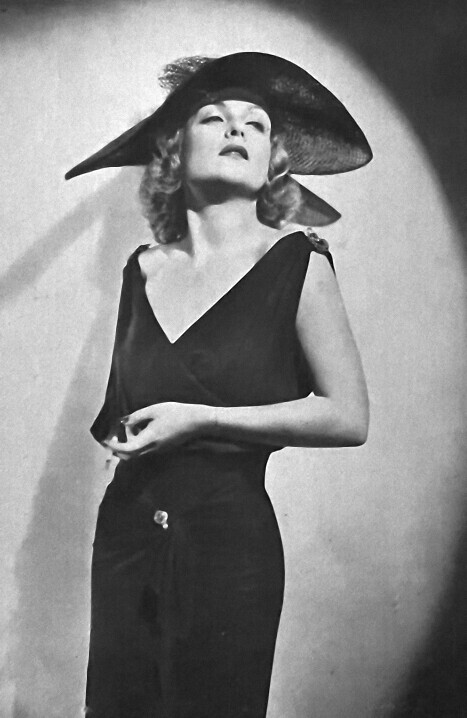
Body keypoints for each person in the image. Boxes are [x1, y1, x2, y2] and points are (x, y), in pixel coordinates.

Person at [66, 52, 372, 718]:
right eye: (213, 118)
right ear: (175, 151)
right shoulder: (141, 269)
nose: (236, 129)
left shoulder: (298, 260)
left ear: (272, 165)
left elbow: (348, 417)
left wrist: (202, 418)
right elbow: (121, 414)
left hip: (230, 547)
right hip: (126, 537)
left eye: (255, 125)